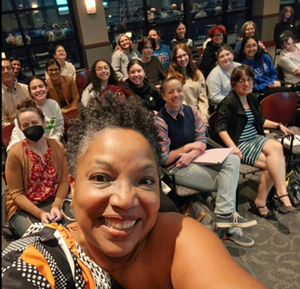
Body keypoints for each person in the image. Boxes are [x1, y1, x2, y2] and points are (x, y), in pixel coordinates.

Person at [2, 89, 267, 289]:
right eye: (102, 177)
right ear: (74, 185)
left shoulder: (176, 239)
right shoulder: (38, 261)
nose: (125, 199)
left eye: (145, 181)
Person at [155, 77, 257, 247]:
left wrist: (193, 152)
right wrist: (188, 147)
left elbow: (202, 139)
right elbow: (164, 158)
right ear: (164, 96)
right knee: (227, 180)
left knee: (232, 159)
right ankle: (230, 227)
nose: (176, 94)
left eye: (179, 90)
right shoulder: (160, 121)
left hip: (196, 157)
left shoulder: (192, 111)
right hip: (177, 167)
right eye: (171, 91)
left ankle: (224, 215)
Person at [215, 65, 297, 218]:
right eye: (241, 80)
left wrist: (279, 126)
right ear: (233, 83)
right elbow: (220, 128)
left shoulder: (252, 98)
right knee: (273, 165)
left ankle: (279, 193)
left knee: (277, 148)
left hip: (255, 137)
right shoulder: (229, 102)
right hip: (240, 143)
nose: (246, 83)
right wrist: (233, 148)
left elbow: (259, 120)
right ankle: (264, 200)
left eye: (249, 79)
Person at [5, 98, 70, 237]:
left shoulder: (57, 146)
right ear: (21, 129)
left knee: (77, 230)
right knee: (45, 240)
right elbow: (16, 194)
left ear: (44, 122)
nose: (31, 127)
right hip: (24, 208)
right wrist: (40, 213)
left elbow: (65, 180)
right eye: (25, 125)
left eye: (35, 123)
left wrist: (56, 205)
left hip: (54, 200)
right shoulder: (15, 154)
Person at [7, 76, 65, 152]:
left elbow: (59, 126)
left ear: (47, 88)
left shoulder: (53, 104)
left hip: (52, 143)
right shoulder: (27, 110)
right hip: (31, 148)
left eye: (41, 86)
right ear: (30, 93)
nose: (38, 90)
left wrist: (53, 141)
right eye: (34, 88)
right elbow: (21, 136)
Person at [168, 43, 209, 123]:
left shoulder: (198, 73)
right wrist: (195, 117)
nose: (183, 59)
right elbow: (178, 102)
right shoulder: (171, 77)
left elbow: (203, 98)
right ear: (175, 59)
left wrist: (203, 117)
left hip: (199, 113)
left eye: (185, 55)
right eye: (179, 57)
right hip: (182, 115)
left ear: (189, 56)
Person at [2, 59, 30, 128]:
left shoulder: (26, 89)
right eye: (1, 69)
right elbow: (3, 122)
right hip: (9, 132)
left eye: (8, 68)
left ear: (13, 71)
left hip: (31, 127)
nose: (6, 71)